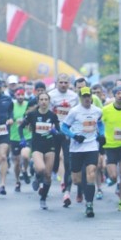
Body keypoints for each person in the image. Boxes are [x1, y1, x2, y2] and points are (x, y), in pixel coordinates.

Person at [60, 86, 104, 218]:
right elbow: (63, 127)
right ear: (80, 98)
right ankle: (84, 188)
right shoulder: (74, 111)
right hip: (76, 148)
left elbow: (100, 124)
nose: (86, 99)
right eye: (84, 96)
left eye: (88, 96)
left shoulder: (97, 111)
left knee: (91, 173)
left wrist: (101, 134)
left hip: (91, 147)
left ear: (91, 97)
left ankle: (89, 204)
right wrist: (74, 136)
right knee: (76, 179)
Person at [20, 91, 60, 209]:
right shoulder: (32, 114)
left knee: (47, 175)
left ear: (49, 101)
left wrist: (55, 132)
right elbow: (20, 127)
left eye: (46, 99)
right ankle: (37, 177)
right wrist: (22, 138)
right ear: (38, 102)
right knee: (41, 168)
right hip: (37, 146)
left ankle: (43, 198)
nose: (43, 102)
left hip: (50, 146)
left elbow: (59, 132)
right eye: (41, 99)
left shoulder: (53, 116)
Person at [48, 74, 78, 207]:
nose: (64, 85)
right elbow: (46, 114)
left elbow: (77, 115)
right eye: (61, 82)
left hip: (67, 133)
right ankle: (44, 177)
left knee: (67, 162)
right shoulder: (51, 95)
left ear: (69, 83)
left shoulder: (74, 96)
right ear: (56, 83)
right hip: (54, 131)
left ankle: (67, 191)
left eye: (66, 82)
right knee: (53, 162)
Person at [9, 87, 32, 192]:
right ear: (15, 95)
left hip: (27, 136)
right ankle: (17, 181)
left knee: (26, 156)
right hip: (14, 137)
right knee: (17, 161)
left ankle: (25, 170)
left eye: (22, 95)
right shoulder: (12, 105)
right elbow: (7, 116)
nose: (21, 97)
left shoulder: (28, 105)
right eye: (19, 95)